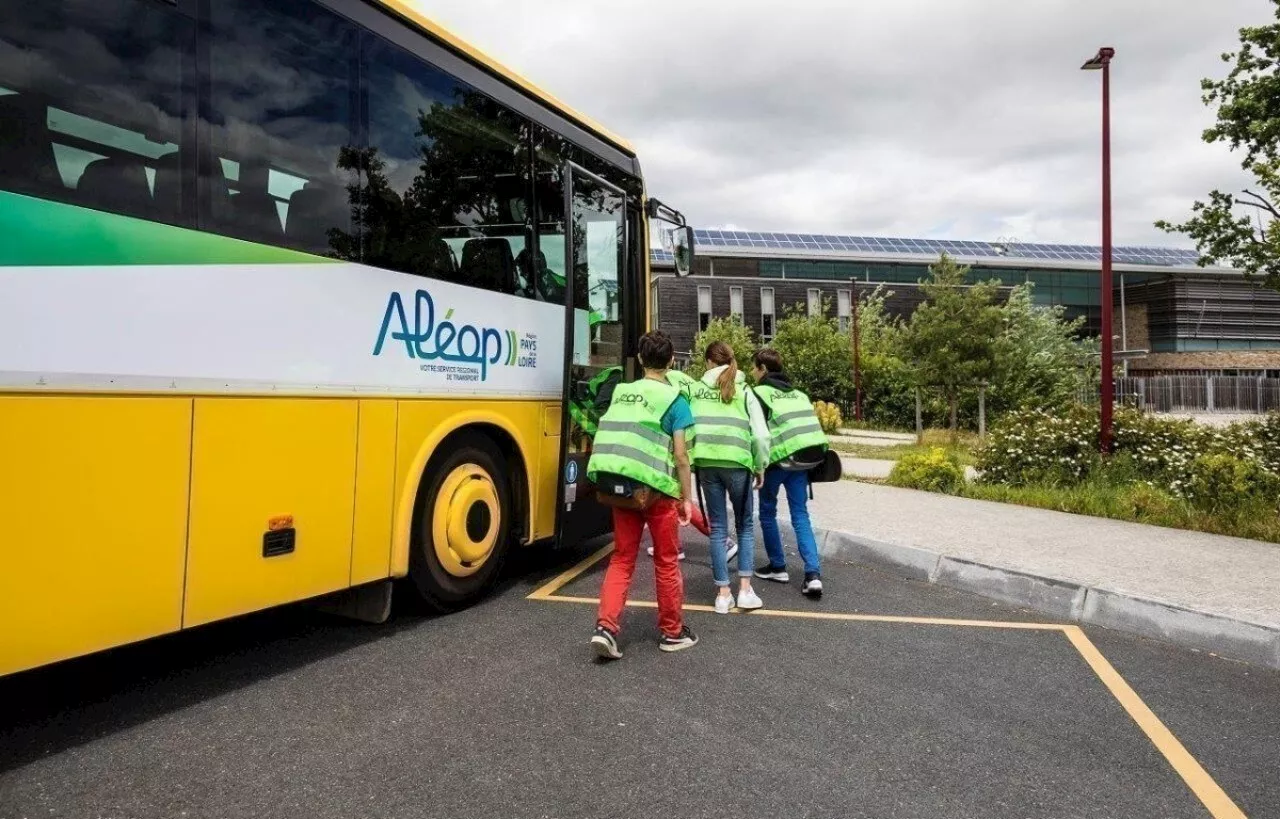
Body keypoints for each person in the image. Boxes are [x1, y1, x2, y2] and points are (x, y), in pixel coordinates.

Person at [587, 331, 699, 659]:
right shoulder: (675, 400)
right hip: (657, 492)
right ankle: (672, 632)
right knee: (665, 561)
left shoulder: (623, 392)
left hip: (619, 486)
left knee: (622, 558)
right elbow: (681, 456)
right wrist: (686, 498)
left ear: (639, 359)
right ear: (672, 361)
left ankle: (606, 628)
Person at [687, 341, 770, 614]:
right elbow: (759, 434)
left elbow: (688, 428)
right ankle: (744, 590)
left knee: (718, 528)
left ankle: (722, 594)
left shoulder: (697, 390)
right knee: (745, 525)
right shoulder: (744, 390)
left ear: (709, 362)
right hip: (738, 463)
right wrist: (760, 465)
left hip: (707, 463)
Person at [751, 348, 831, 599]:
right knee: (800, 515)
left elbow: (759, 433)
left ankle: (778, 566)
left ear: (763, 368)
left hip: (777, 462)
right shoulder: (799, 394)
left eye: (754, 368)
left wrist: (757, 466)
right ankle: (813, 575)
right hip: (805, 460)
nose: (752, 373)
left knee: (767, 511)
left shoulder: (759, 393)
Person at [643, 368, 737, 562]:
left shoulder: (666, 381)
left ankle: (724, 541)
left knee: (677, 499)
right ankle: (675, 547)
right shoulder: (680, 377)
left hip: (677, 441)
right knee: (672, 499)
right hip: (687, 436)